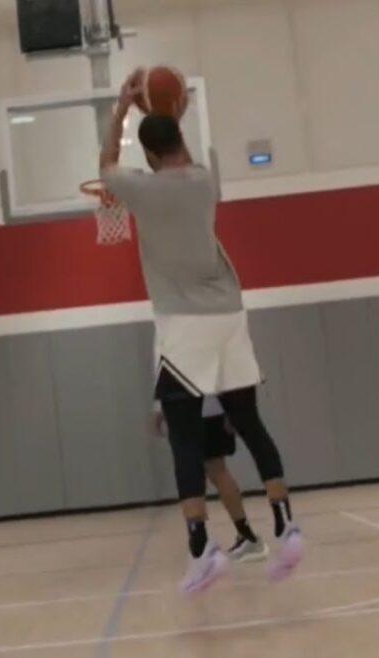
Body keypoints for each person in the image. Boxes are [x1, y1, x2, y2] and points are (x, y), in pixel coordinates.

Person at [99, 68, 303, 594]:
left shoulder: (138, 190)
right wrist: (170, 113)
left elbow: (106, 164)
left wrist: (123, 108)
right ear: (180, 138)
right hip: (230, 314)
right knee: (251, 425)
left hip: (183, 323)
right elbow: (179, 151)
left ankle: (201, 548)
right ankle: (286, 525)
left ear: (145, 153)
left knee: (186, 440)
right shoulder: (205, 179)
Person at [153, 394, 269, 563]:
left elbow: (165, 373)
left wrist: (159, 406)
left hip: (186, 408)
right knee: (217, 470)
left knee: (192, 471)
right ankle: (246, 535)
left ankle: (201, 544)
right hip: (213, 409)